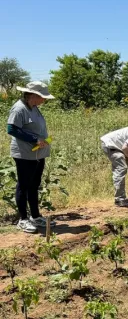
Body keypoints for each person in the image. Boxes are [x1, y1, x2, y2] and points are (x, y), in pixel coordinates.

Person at [6, 81, 55, 233]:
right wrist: (34, 140)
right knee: (24, 185)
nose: (44, 100)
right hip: (25, 154)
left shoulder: (33, 107)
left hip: (38, 153)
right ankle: (23, 219)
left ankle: (35, 216)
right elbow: (11, 129)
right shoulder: (19, 108)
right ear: (33, 95)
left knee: (34, 185)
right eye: (42, 97)